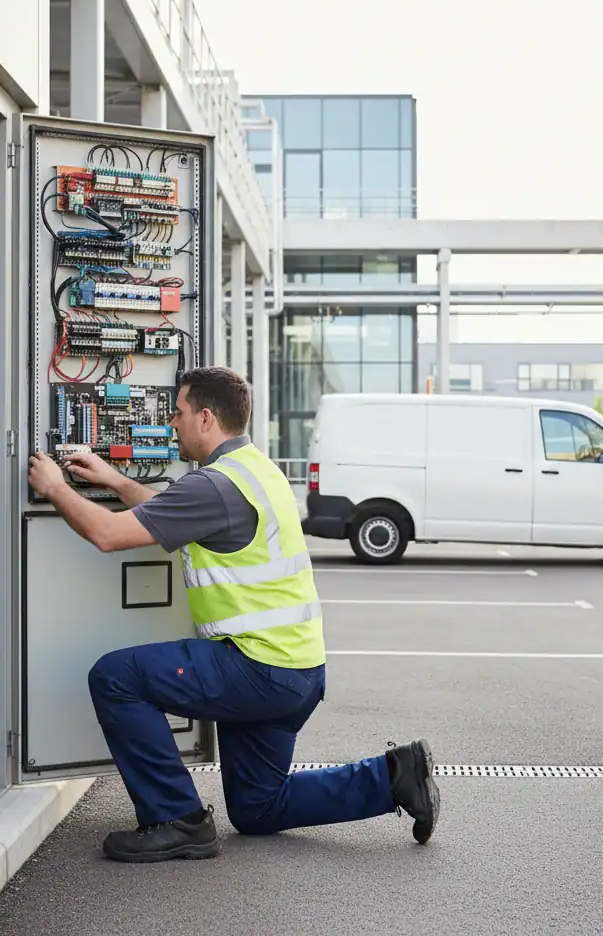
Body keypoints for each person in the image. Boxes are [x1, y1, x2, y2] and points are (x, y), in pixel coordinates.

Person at [27, 366, 440, 863]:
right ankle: (394, 775)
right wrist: (114, 479)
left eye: (177, 414)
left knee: (116, 676)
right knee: (258, 809)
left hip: (257, 668)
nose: (171, 424)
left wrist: (54, 486)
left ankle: (176, 819)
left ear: (205, 418)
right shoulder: (252, 470)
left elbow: (108, 535)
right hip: (298, 673)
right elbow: (167, 510)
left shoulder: (216, 486)